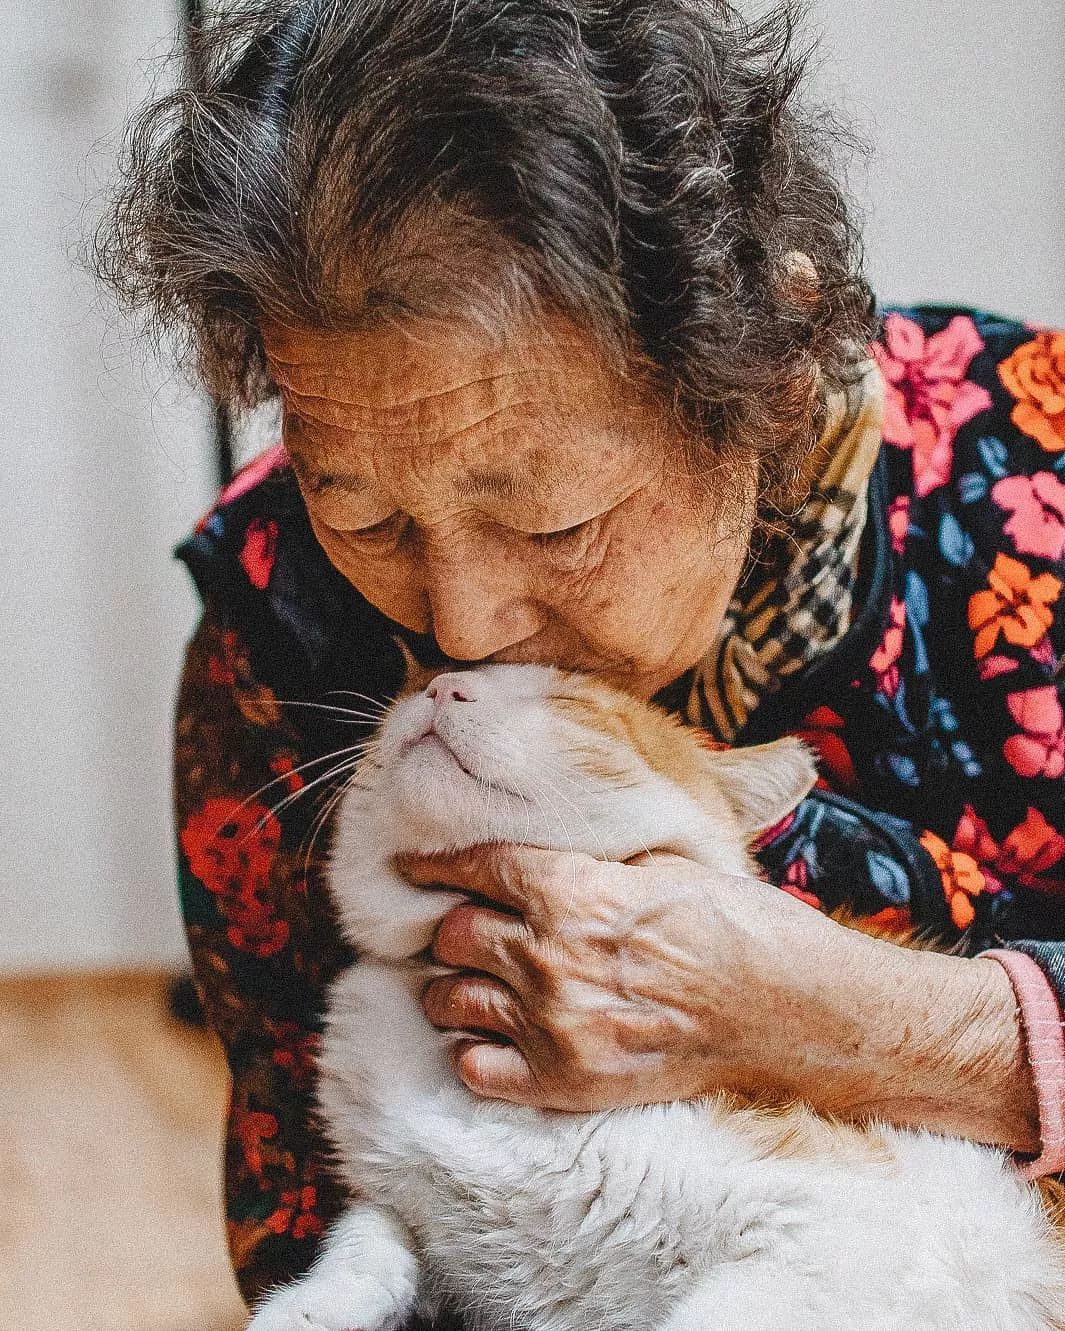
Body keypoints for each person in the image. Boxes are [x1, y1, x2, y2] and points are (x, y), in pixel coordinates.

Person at [95, 0, 1065, 1313]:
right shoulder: (275, 623)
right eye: (364, 515)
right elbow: (313, 1223)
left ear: (764, 380)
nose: (457, 624)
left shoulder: (1033, 479)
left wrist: (847, 1022)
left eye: (551, 519)